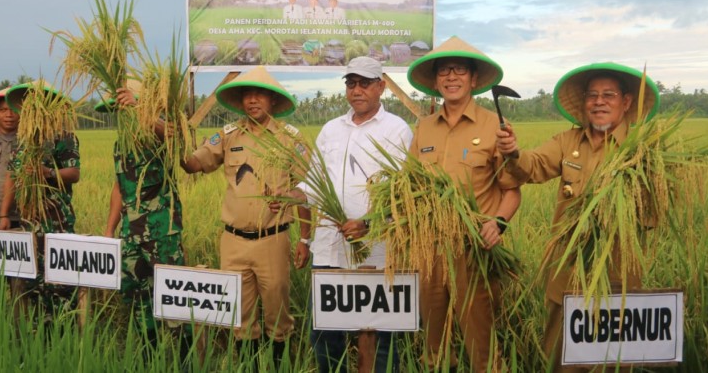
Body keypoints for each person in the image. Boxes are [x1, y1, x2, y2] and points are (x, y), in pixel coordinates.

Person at [494, 63, 660, 372]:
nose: (599, 101)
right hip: (567, 274)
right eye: (592, 95)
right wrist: (514, 152)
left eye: (608, 94)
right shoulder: (567, 142)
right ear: (584, 102)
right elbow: (534, 164)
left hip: (617, 277)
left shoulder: (642, 150)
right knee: (562, 358)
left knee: (614, 361)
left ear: (625, 102)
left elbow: (653, 217)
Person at [272, 56, 413, 372]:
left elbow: (401, 192)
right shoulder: (331, 129)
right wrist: (291, 195)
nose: (357, 90)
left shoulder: (398, 130)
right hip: (329, 249)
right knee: (325, 335)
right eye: (351, 84)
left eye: (364, 83)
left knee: (378, 337)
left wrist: (369, 224)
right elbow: (314, 182)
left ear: (382, 87)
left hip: (376, 252)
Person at [406, 36, 521, 372]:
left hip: (474, 251)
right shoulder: (424, 127)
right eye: (444, 70)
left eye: (459, 70)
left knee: (481, 346)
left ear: (473, 79)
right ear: (436, 80)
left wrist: (497, 223)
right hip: (430, 252)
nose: (451, 76)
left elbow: (512, 190)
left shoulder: (493, 127)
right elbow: (409, 188)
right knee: (433, 346)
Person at [181, 66, 310, 365]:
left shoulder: (290, 139)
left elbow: (306, 188)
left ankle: (279, 365)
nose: (253, 100)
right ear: (240, 102)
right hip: (234, 242)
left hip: (272, 240)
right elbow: (193, 164)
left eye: (259, 94)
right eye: (247, 95)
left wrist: (305, 238)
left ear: (273, 101)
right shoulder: (227, 136)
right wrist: (172, 134)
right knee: (240, 316)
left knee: (278, 315)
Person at [98, 80, 187, 350]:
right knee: (136, 297)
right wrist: (110, 229)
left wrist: (140, 109)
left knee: (173, 297)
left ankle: (185, 357)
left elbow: (175, 137)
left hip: (162, 233)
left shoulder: (158, 131)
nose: (123, 113)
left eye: (126, 106)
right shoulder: (120, 143)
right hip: (131, 234)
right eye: (119, 109)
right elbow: (119, 186)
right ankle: (150, 355)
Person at [0, 81, 81, 316]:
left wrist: (48, 174)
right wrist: (5, 214)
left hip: (57, 221)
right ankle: (36, 333)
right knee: (31, 282)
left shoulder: (63, 136)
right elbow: (12, 177)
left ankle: (63, 327)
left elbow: (74, 174)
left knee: (59, 282)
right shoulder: (24, 139)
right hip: (28, 222)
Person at [0, 88, 20, 229]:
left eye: (14, 109)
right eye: (3, 110)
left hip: (18, 216)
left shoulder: (30, 143)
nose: (9, 115)